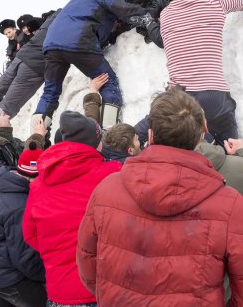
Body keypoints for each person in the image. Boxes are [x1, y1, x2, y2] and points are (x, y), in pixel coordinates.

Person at [77, 88, 243, 306]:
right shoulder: (229, 204)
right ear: (203, 132)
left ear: (151, 136)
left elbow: (88, 265)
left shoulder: (106, 191)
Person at [23, 111, 122, 307]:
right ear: (93, 143)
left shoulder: (39, 184)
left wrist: (56, 251)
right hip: (103, 288)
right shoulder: (113, 174)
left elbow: (30, 234)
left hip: (60, 290)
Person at [135, 0, 243, 147]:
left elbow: (185, 6)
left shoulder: (166, 14)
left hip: (178, 97)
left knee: (158, 127)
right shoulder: (215, 3)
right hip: (214, 95)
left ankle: (120, 145)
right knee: (229, 140)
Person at [33, 0, 146, 129]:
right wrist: (150, 15)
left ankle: (36, 136)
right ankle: (109, 131)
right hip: (78, 42)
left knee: (50, 92)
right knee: (108, 81)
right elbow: (126, 9)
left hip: (51, 44)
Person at [0, 142, 47, 307]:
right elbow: (25, 257)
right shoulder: (20, 205)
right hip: (6, 278)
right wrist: (46, 275)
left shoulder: (3, 185)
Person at [0, 107, 46, 202]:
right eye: (4, 115)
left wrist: (41, 136)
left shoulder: (11, 141)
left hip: (17, 199)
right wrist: (38, 137)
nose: (9, 116)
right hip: (6, 205)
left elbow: (29, 150)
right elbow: (8, 179)